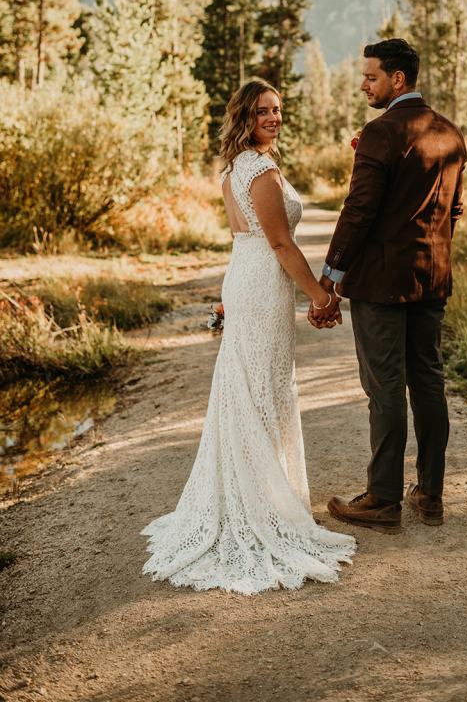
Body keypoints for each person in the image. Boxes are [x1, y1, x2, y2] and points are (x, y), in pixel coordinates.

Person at [141, 79, 356, 594]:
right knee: (261, 389)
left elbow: (248, 236)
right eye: (263, 111)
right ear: (245, 116)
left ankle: (258, 491)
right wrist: (319, 296)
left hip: (246, 277)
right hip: (261, 284)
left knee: (251, 387)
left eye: (277, 109)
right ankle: (261, 504)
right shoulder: (259, 170)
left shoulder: (235, 167)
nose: (273, 117)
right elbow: (279, 244)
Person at [309, 38, 467, 533]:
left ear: (397, 79)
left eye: (370, 76)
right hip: (432, 280)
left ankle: (382, 498)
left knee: (385, 389)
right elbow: (453, 211)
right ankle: (430, 494)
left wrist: (331, 276)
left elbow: (359, 211)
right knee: (428, 382)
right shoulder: (450, 133)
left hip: (381, 284)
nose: (363, 85)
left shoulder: (380, 133)